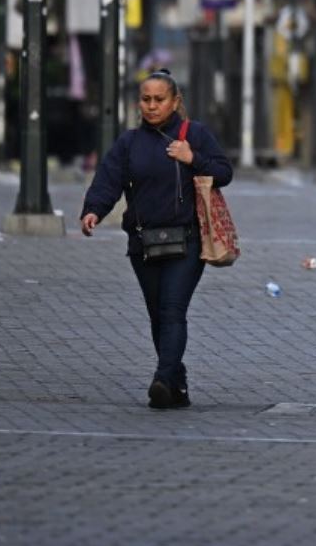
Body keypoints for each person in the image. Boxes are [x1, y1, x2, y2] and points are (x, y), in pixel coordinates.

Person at [79, 70, 233, 410]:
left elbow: (224, 172)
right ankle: (176, 384)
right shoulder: (129, 142)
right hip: (143, 243)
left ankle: (162, 379)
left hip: (187, 241)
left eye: (159, 99)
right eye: (146, 100)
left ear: (175, 101)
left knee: (172, 309)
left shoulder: (194, 134)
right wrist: (94, 210)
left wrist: (192, 158)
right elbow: (109, 179)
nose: (152, 106)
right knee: (157, 315)